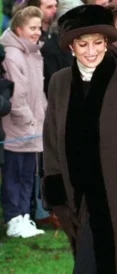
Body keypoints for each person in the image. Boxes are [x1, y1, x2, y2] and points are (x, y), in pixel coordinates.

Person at [41, 4, 117, 274]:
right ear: (72, 47)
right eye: (83, 44)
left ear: (107, 43)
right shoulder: (59, 82)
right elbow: (51, 142)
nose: (91, 51)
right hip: (75, 200)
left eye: (97, 43)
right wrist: (55, 189)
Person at [0, 6, 47, 238]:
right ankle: (13, 218)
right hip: (18, 128)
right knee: (14, 174)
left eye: (39, 27)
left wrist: (43, 117)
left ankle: (24, 216)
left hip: (34, 127)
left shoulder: (34, 53)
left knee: (29, 174)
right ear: (19, 29)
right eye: (32, 28)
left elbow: (38, 92)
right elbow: (17, 96)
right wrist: (29, 121)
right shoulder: (12, 54)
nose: (37, 32)